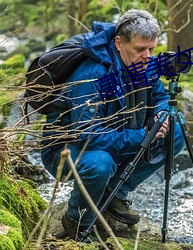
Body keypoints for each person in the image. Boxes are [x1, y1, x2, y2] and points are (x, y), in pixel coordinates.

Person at [41, 9, 185, 241]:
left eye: (152, 49)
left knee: (175, 132)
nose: (148, 56)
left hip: (117, 135)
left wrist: (161, 114)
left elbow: (159, 96)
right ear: (119, 43)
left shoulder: (143, 63)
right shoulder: (92, 75)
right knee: (100, 164)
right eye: (140, 49)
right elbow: (87, 135)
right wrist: (142, 135)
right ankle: (76, 221)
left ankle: (115, 193)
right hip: (67, 150)